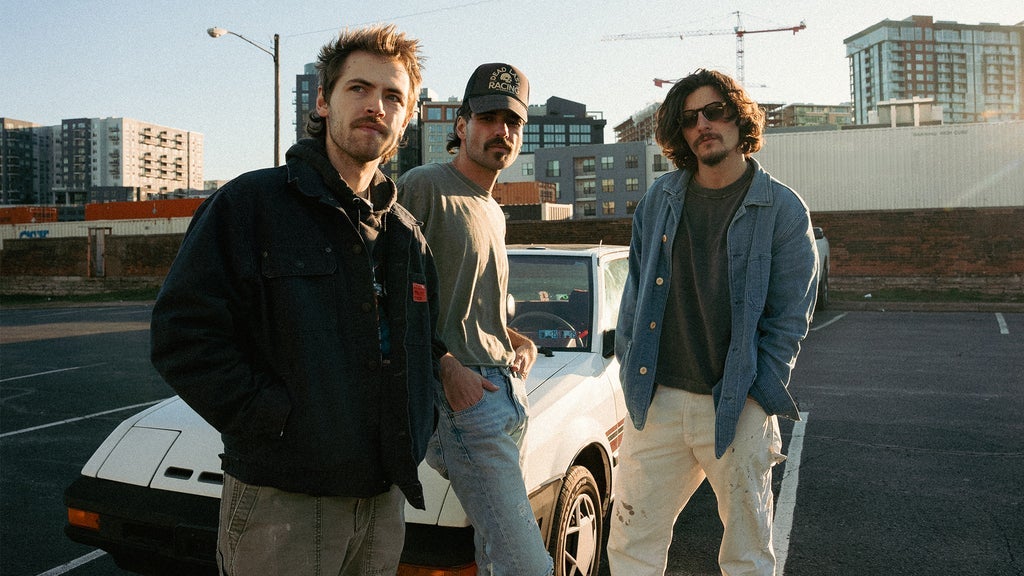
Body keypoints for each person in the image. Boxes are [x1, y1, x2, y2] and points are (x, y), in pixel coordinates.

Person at [150, 24, 444, 576]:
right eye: (358, 88)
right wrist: (277, 421)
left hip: (383, 502)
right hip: (282, 502)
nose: (375, 106)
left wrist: (418, 423)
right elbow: (182, 336)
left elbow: (422, 342)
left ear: (406, 118)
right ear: (323, 101)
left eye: (393, 96)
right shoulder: (251, 205)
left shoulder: (407, 235)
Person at [608, 68, 819, 576]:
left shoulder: (783, 209)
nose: (703, 124)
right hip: (656, 400)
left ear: (739, 117)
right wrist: (630, 365)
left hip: (737, 400)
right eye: (689, 119)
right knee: (631, 544)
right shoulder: (659, 200)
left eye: (715, 111)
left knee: (747, 555)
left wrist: (757, 395)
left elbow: (790, 319)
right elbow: (635, 294)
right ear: (680, 134)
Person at [397, 63, 553, 576]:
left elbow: (465, 303)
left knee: (493, 554)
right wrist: (445, 367)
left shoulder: (493, 208)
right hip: (462, 398)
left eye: (513, 122)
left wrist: (517, 340)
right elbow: (389, 293)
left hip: (505, 389)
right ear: (461, 126)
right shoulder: (424, 185)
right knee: (526, 564)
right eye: (488, 118)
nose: (501, 131)